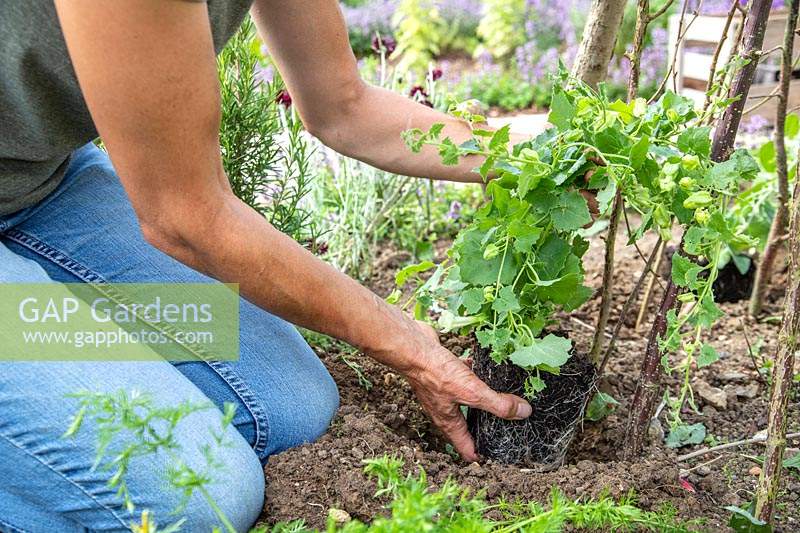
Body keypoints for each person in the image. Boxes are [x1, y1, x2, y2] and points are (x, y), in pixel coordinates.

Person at [0, 1, 534, 531]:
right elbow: (186, 219)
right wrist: (407, 343)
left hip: (39, 188)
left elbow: (344, 106)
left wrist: (538, 158)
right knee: (200, 502)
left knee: (288, 408)